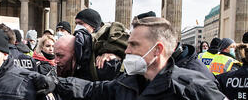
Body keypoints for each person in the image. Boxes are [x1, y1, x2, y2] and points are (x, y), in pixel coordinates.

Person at [39, 16, 226, 99]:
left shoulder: (193, 87)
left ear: (157, 50)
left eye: (134, 45)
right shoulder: (127, 82)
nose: (126, 51)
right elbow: (91, 90)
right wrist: (55, 83)